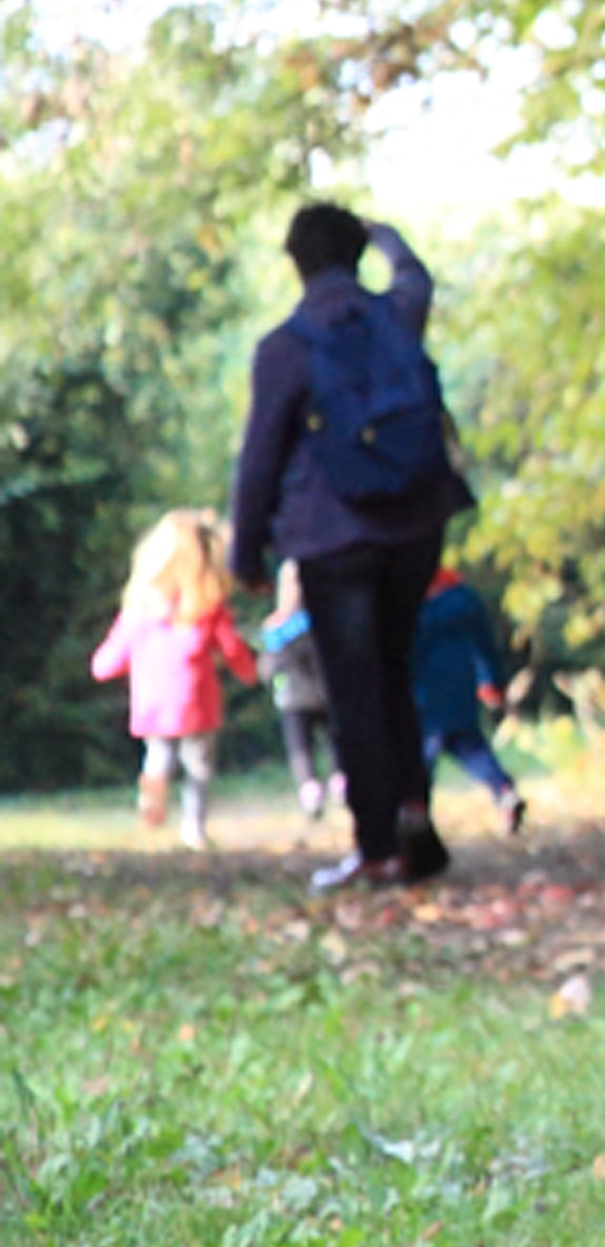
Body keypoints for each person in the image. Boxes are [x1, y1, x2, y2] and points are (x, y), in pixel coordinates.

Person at [229, 202, 475, 891]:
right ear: (354, 252)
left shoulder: (286, 348)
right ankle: (413, 819)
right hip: (415, 527)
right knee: (395, 672)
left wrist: (246, 552)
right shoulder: (397, 316)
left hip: (331, 536)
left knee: (352, 689)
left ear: (295, 260)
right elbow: (416, 275)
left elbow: (260, 457)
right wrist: (384, 234)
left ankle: (378, 847)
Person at [91, 509, 256, 851]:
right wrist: (249, 672)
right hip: (196, 701)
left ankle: (153, 791)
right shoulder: (206, 608)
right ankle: (193, 828)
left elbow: (106, 662)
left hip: (152, 704)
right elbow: (232, 649)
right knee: (198, 766)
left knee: (158, 756)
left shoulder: (139, 610)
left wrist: (105, 666)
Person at [411, 563, 527, 831]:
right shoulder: (464, 598)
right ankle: (504, 790)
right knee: (470, 744)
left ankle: (416, 814)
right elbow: (485, 643)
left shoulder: (412, 604)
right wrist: (491, 680)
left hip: (423, 689)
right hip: (461, 682)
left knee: (423, 753)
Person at [261, 562, 341, 823]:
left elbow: (268, 668)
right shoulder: (330, 619)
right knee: (335, 742)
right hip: (329, 692)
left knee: (300, 748)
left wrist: (269, 681)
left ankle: (310, 790)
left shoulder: (277, 627)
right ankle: (342, 783)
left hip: (293, 698)